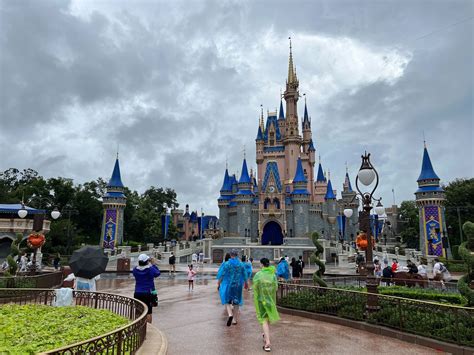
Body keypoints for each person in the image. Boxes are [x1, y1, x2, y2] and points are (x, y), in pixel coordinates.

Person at [253, 257, 280, 352]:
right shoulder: (273, 275)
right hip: (270, 301)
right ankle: (265, 335)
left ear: (261, 264)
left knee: (263, 320)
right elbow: (276, 288)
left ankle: (267, 342)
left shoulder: (258, 275)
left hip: (261, 301)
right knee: (267, 319)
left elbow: (255, 288)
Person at [217, 249, 246, 326]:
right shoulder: (241, 264)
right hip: (238, 285)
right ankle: (234, 320)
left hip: (229, 284)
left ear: (230, 255)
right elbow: (245, 275)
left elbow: (221, 275)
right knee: (237, 301)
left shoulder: (226, 264)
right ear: (237, 255)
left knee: (227, 300)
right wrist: (246, 283)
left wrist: (219, 283)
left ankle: (230, 314)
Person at [133, 254, 161, 323]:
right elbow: (157, 273)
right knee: (148, 312)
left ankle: (138, 326)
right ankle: (149, 328)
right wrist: (153, 264)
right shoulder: (150, 269)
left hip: (137, 293)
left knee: (138, 311)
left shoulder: (135, 270)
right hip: (148, 293)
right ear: (147, 261)